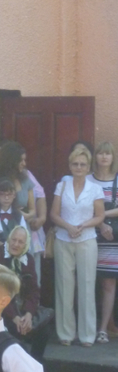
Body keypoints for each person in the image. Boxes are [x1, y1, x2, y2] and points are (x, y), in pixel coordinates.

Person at [51, 144, 105, 347]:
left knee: (87, 286)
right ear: (70, 166)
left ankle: (87, 335)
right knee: (64, 287)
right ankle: (65, 333)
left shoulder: (95, 189)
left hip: (87, 240)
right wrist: (68, 226)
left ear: (88, 167)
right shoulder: (62, 186)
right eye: (75, 164)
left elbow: (99, 216)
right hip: (63, 239)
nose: (79, 167)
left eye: (82, 164)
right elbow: (54, 214)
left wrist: (83, 225)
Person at [0, 226, 52, 363]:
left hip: (21, 308)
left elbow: (34, 290)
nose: (16, 244)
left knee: (44, 331)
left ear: (26, 244)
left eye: (20, 242)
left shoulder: (28, 259)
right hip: (1, 311)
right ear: (8, 239)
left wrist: (28, 314)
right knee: (13, 331)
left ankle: (34, 365)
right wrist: (14, 317)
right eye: (13, 240)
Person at [88, 142, 118, 343]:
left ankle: (103, 329)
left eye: (108, 154)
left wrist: (102, 215)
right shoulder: (88, 180)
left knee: (108, 282)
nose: (104, 157)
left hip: (111, 238)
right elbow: (82, 206)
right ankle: (88, 326)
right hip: (89, 235)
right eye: (100, 153)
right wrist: (100, 223)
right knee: (88, 282)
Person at [0, 142, 36, 221]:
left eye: (24, 160)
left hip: (22, 224)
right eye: (20, 160)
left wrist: (26, 215)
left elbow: (32, 210)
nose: (24, 164)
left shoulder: (25, 180)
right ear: (11, 161)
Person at [0, 178, 28, 248]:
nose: (6, 198)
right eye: (2, 194)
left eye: (10, 194)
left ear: (14, 195)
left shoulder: (18, 216)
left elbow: (24, 236)